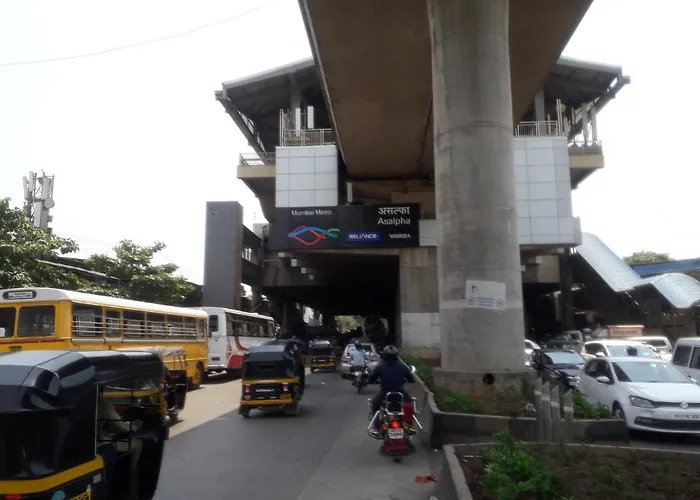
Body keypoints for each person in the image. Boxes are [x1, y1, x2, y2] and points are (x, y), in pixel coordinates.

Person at [97, 393, 144, 499]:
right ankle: (132, 484)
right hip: (100, 445)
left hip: (86, 445)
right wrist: (134, 425)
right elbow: (121, 427)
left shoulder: (75, 401)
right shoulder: (101, 402)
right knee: (137, 444)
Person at [367, 345, 416, 433]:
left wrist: (372, 380)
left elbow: (370, 379)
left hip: (385, 394)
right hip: (400, 393)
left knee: (374, 404)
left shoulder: (380, 367)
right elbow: (412, 380)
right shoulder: (402, 367)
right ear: (396, 355)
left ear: (384, 356)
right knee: (410, 403)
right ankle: (410, 425)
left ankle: (376, 428)